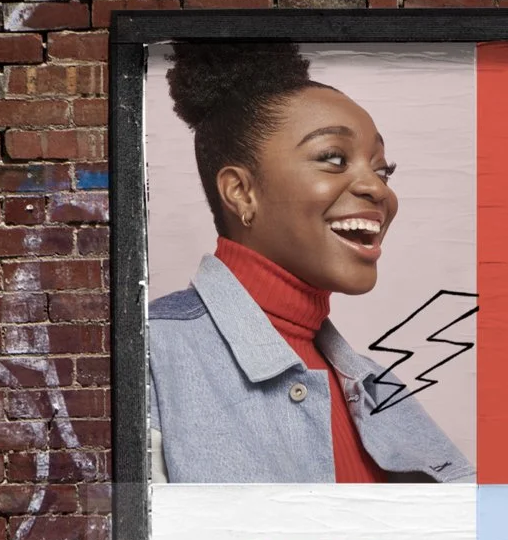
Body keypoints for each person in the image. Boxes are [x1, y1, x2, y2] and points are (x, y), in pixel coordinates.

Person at [147, 42, 474, 484]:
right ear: (242, 193)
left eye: (383, 169)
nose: (378, 190)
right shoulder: (148, 353)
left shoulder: (377, 387)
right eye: (333, 159)